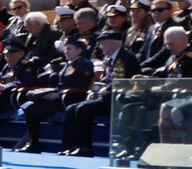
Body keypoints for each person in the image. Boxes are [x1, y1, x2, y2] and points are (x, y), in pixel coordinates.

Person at [60, 29, 141, 157]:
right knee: (71, 108)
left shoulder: (127, 58)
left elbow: (127, 81)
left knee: (82, 109)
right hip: (106, 96)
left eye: (103, 43)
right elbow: (105, 79)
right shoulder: (108, 58)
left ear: (112, 43)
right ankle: (72, 145)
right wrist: (96, 90)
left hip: (119, 98)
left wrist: (106, 89)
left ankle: (85, 147)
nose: (100, 46)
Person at [16, 39, 94, 154]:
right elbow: (60, 85)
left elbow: (81, 85)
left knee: (69, 109)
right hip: (59, 97)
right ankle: (33, 143)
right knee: (29, 107)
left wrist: (58, 94)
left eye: (69, 48)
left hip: (72, 98)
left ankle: (72, 145)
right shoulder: (68, 65)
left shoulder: (85, 64)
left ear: (79, 50)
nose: (66, 51)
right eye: (65, 49)